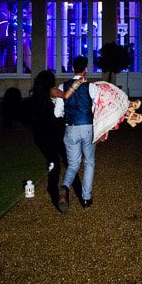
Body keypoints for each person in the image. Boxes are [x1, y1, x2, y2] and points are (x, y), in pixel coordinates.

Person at [51, 56, 95, 212]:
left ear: (72, 69)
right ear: (86, 69)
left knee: (73, 164)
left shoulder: (63, 87)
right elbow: (96, 109)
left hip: (70, 128)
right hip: (88, 127)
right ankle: (85, 199)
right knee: (89, 162)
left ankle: (64, 187)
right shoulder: (91, 87)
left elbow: (57, 114)